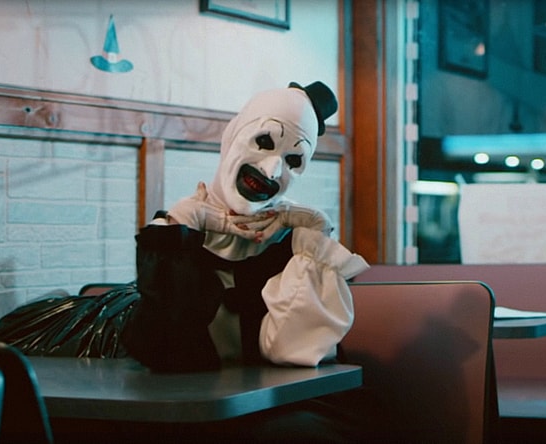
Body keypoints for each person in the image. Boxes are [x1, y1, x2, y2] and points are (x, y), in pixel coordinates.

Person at [120, 81, 370, 372]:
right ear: (233, 135)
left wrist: (316, 233)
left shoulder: (295, 247)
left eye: (293, 160)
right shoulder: (175, 234)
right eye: (264, 141)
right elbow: (165, 353)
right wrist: (182, 225)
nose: (272, 171)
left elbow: (297, 353)